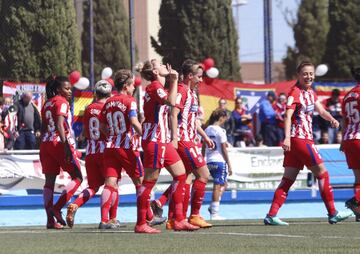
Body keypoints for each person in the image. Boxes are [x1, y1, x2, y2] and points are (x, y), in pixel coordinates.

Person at [264, 61, 353, 226]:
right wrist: (287, 138)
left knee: (288, 179)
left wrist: (332, 119)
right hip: (300, 139)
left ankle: (271, 215)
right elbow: (287, 115)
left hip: (299, 140)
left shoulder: (310, 92)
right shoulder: (295, 92)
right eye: (305, 73)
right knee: (323, 173)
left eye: (311, 73)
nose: (309, 76)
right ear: (298, 75)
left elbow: (320, 110)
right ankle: (333, 212)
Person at [135, 59, 199, 233]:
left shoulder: (159, 88)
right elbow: (171, 103)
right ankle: (141, 223)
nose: (165, 65)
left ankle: (178, 219)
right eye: (161, 65)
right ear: (156, 72)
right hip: (154, 141)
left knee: (181, 175)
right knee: (148, 183)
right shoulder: (154, 87)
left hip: (163, 141)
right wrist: (175, 79)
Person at [151, 60, 214, 229]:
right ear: (190, 76)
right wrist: (175, 137)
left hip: (189, 138)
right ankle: (194, 215)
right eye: (199, 77)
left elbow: (192, 121)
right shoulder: (182, 90)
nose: (201, 80)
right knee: (203, 175)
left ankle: (173, 218)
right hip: (183, 140)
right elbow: (173, 113)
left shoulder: (191, 92)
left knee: (185, 178)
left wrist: (204, 136)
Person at [65, 80, 112, 228]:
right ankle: (107, 219)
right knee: (112, 184)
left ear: (95, 93)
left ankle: (75, 204)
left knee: (92, 186)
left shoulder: (88, 108)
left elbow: (85, 132)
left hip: (91, 151)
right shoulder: (108, 108)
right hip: (105, 151)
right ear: (110, 94)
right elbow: (107, 129)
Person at [40, 76, 83, 229]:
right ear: (59, 89)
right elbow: (59, 124)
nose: (70, 91)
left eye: (70, 88)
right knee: (78, 177)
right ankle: (57, 207)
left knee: (49, 182)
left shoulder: (47, 103)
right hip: (59, 142)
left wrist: (43, 147)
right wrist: (65, 145)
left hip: (45, 144)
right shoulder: (62, 102)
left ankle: (50, 221)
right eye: (67, 88)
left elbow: (43, 127)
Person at [205, 109, 232, 220]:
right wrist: (229, 164)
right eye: (225, 118)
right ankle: (214, 212)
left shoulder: (207, 129)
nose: (225, 120)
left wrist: (203, 159)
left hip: (209, 160)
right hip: (219, 160)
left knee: (224, 184)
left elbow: (203, 146)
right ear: (221, 118)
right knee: (217, 185)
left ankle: (213, 206)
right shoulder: (221, 131)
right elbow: (224, 149)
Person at [341, 66, 360, 220]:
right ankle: (356, 201)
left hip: (349, 139)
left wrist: (342, 140)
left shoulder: (348, 95)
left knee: (358, 178)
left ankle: (359, 212)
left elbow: (344, 120)